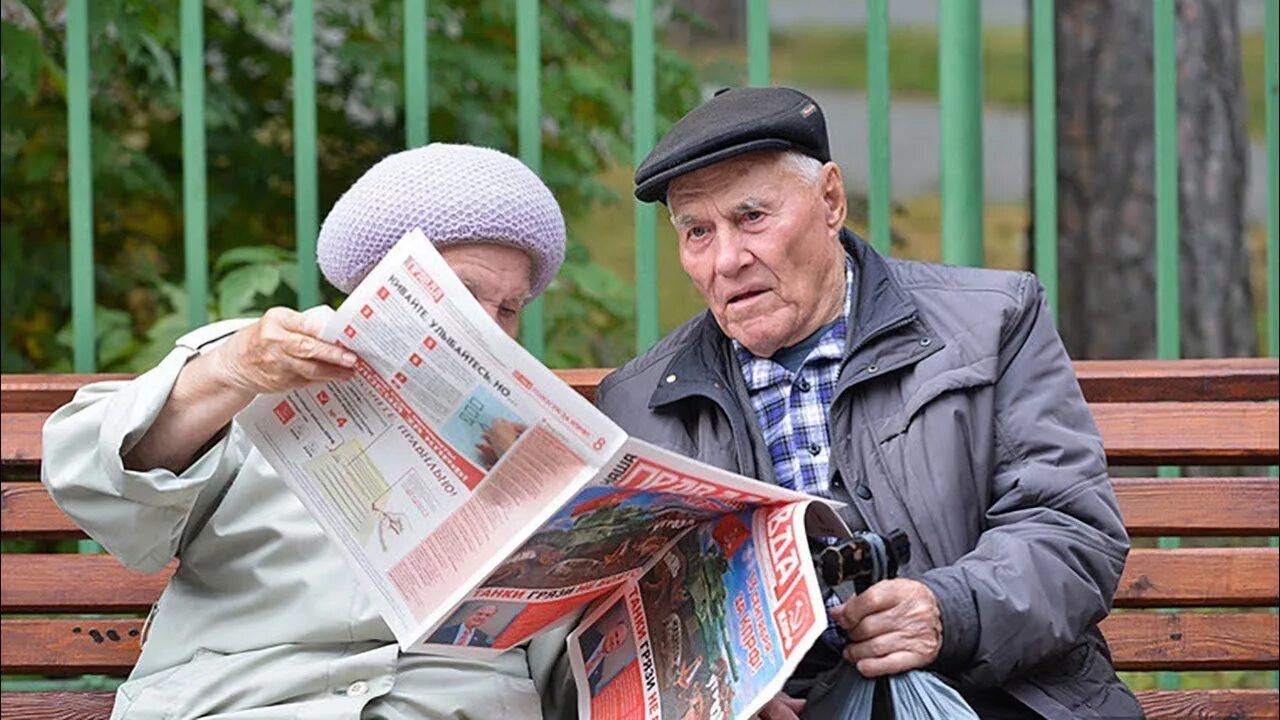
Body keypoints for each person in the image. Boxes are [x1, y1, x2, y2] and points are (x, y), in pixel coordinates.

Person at [594, 87, 1141, 719]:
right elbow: (624, 618)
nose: (727, 259)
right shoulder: (638, 405)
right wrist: (720, 688)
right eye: (697, 232)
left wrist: (948, 611)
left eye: (752, 218)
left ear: (830, 199)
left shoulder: (992, 324)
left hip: (989, 697)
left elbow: (1069, 529)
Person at [42, 143, 577, 720]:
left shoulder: (533, 431)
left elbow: (564, 646)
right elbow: (92, 485)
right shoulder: (261, 361)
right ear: (380, 281)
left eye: (509, 309)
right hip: (246, 700)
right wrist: (227, 372)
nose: (487, 329)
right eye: (463, 292)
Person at [428, 603, 500, 647]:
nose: (482, 617)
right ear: (471, 613)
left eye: (487, 615)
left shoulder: (483, 638)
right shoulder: (443, 631)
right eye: (479, 613)